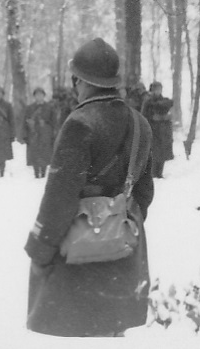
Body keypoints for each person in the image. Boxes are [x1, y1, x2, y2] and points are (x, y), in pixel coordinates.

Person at [25, 37, 154, 337]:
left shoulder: (79, 123)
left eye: (75, 81)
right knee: (113, 330)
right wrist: (121, 223)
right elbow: (144, 193)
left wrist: (40, 250)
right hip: (125, 248)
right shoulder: (140, 124)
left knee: (85, 331)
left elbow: (60, 197)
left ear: (82, 81)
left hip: (81, 256)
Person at [20, 87, 56, 179]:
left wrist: (53, 134)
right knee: (35, 153)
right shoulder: (29, 108)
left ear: (44, 96)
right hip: (34, 133)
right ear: (34, 96)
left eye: (41, 94)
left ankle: (43, 174)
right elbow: (25, 121)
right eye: (37, 95)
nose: (39, 96)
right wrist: (24, 135)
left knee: (45, 154)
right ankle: (36, 174)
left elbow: (54, 122)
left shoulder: (49, 107)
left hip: (45, 134)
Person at [141, 81, 174, 178]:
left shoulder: (163, 101)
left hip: (162, 132)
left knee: (162, 154)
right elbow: (144, 115)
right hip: (153, 131)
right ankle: (153, 174)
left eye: (160, 89)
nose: (158, 91)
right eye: (156, 89)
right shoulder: (147, 101)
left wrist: (162, 117)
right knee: (153, 154)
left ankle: (159, 173)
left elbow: (168, 105)